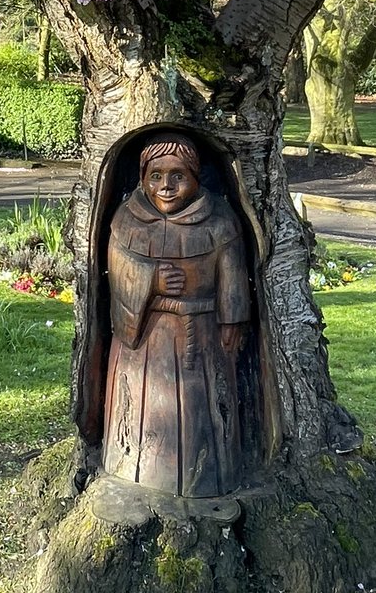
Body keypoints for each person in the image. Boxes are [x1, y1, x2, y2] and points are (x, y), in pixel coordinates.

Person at [101, 131, 251, 499]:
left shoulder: (219, 221)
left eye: (178, 176)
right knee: (143, 413)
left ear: (195, 178)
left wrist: (232, 319)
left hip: (201, 337)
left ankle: (207, 474)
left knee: (201, 413)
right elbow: (117, 271)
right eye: (156, 176)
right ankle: (132, 462)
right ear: (142, 178)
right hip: (144, 342)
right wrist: (149, 278)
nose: (165, 186)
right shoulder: (126, 219)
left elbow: (233, 276)